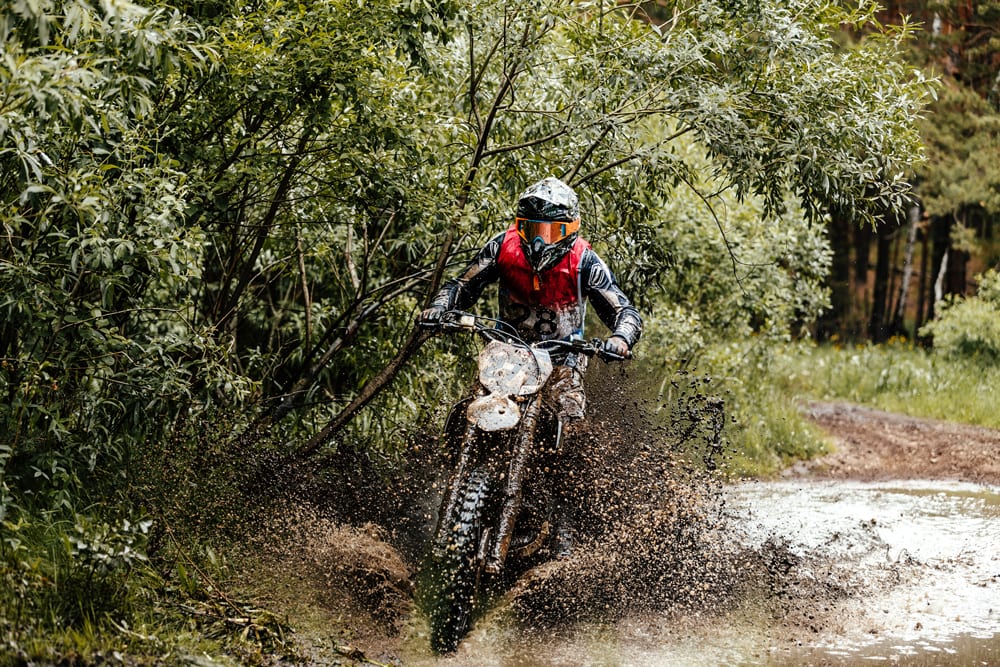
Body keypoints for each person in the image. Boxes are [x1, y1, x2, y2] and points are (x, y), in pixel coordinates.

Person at [419, 176, 643, 556]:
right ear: (519, 227)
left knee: (571, 428)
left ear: (569, 230)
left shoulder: (584, 260)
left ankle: (565, 522)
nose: (540, 240)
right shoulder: (503, 247)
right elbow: (463, 285)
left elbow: (623, 309)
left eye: (551, 230)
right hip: (507, 356)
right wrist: (442, 307)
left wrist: (619, 340)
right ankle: (456, 481)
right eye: (531, 229)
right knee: (467, 410)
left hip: (561, 360)